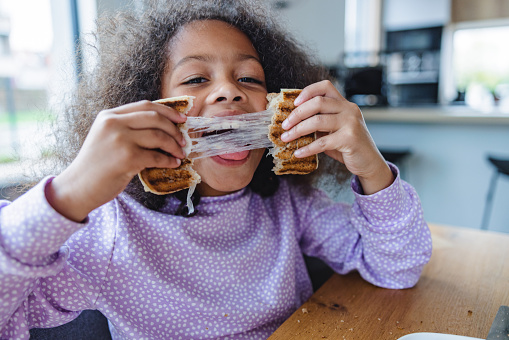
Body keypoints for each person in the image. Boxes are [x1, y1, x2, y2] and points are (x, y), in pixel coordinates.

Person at [0, 0, 432, 339]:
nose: (229, 90)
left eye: (249, 78)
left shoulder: (288, 206)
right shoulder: (111, 232)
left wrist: (372, 168)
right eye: (195, 80)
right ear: (151, 109)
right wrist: (70, 193)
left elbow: (398, 267)